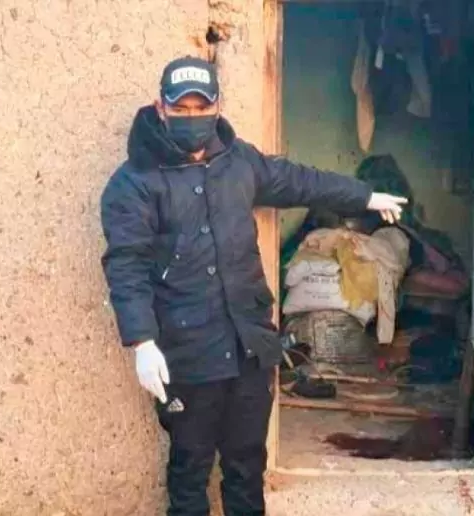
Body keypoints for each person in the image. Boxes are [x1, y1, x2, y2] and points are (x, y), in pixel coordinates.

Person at [99, 56, 407, 516]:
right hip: (187, 352)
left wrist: (363, 196)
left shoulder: (237, 160)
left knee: (246, 465)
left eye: (200, 108)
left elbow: (299, 182)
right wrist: (142, 342)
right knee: (190, 470)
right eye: (180, 109)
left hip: (249, 346)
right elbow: (126, 265)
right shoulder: (134, 183)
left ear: (217, 106)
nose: (191, 117)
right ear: (161, 108)